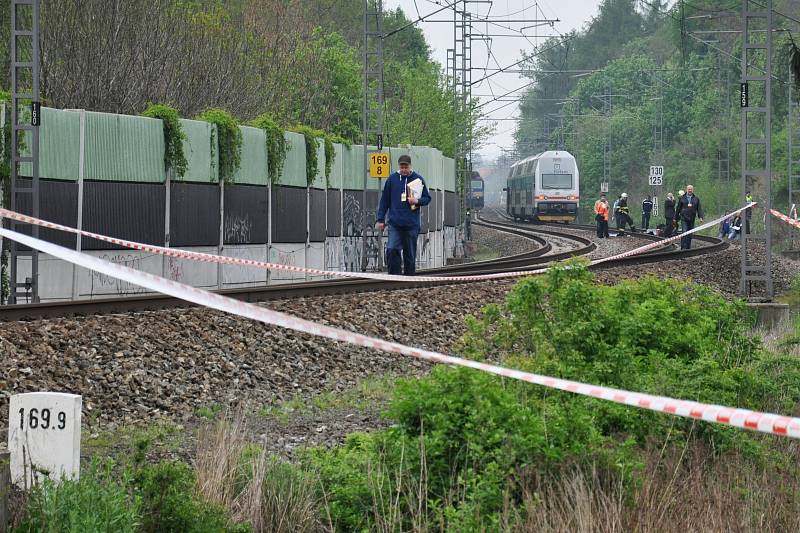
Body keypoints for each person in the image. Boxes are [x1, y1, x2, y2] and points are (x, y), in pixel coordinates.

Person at [376, 154, 431, 275]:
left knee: (409, 254)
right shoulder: (392, 179)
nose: (404, 170)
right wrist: (380, 219)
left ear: (410, 166)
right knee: (392, 250)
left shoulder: (418, 179)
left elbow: (427, 198)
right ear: (399, 166)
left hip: (411, 225)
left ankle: (409, 279)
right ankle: (394, 278)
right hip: (395, 224)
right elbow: (384, 200)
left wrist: (417, 201)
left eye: (406, 167)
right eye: (402, 167)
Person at [674, 184, 704, 250]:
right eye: (688, 189)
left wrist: (701, 217)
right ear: (686, 190)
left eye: (691, 189)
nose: (690, 190)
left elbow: (699, 209)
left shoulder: (696, 199)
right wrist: (675, 218)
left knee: (690, 233)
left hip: (692, 218)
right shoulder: (682, 198)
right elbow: (678, 208)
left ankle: (688, 248)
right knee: (684, 232)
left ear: (693, 190)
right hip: (684, 217)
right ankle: (683, 248)